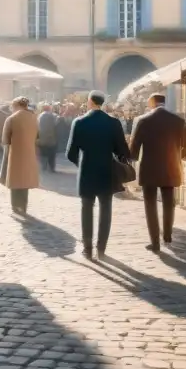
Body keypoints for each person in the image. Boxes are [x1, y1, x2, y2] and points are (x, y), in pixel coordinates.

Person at [66, 91, 130, 260]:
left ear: (90, 102)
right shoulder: (113, 123)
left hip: (87, 170)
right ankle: (101, 248)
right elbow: (123, 151)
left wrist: (80, 163)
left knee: (86, 208)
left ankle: (87, 249)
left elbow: (70, 153)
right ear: (102, 103)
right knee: (106, 208)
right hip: (107, 170)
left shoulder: (79, 122)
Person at [129, 93, 186, 252]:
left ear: (151, 103)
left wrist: (132, 157)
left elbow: (134, 150)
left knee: (150, 205)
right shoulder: (179, 121)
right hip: (171, 167)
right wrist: (175, 157)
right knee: (169, 202)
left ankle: (155, 242)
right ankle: (168, 235)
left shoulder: (144, 121)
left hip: (149, 168)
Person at [1, 97, 39, 214]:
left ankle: (15, 206)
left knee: (15, 181)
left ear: (16, 105)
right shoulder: (34, 118)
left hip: (15, 154)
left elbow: (5, 140)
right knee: (25, 181)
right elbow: (37, 136)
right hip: (29, 153)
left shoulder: (12, 118)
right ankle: (23, 205)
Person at [37, 103, 59, 172]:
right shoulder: (53, 116)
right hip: (51, 139)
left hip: (42, 138)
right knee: (51, 154)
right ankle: (52, 168)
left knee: (43, 153)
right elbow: (56, 126)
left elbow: (37, 127)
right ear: (49, 108)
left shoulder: (39, 116)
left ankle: (44, 166)